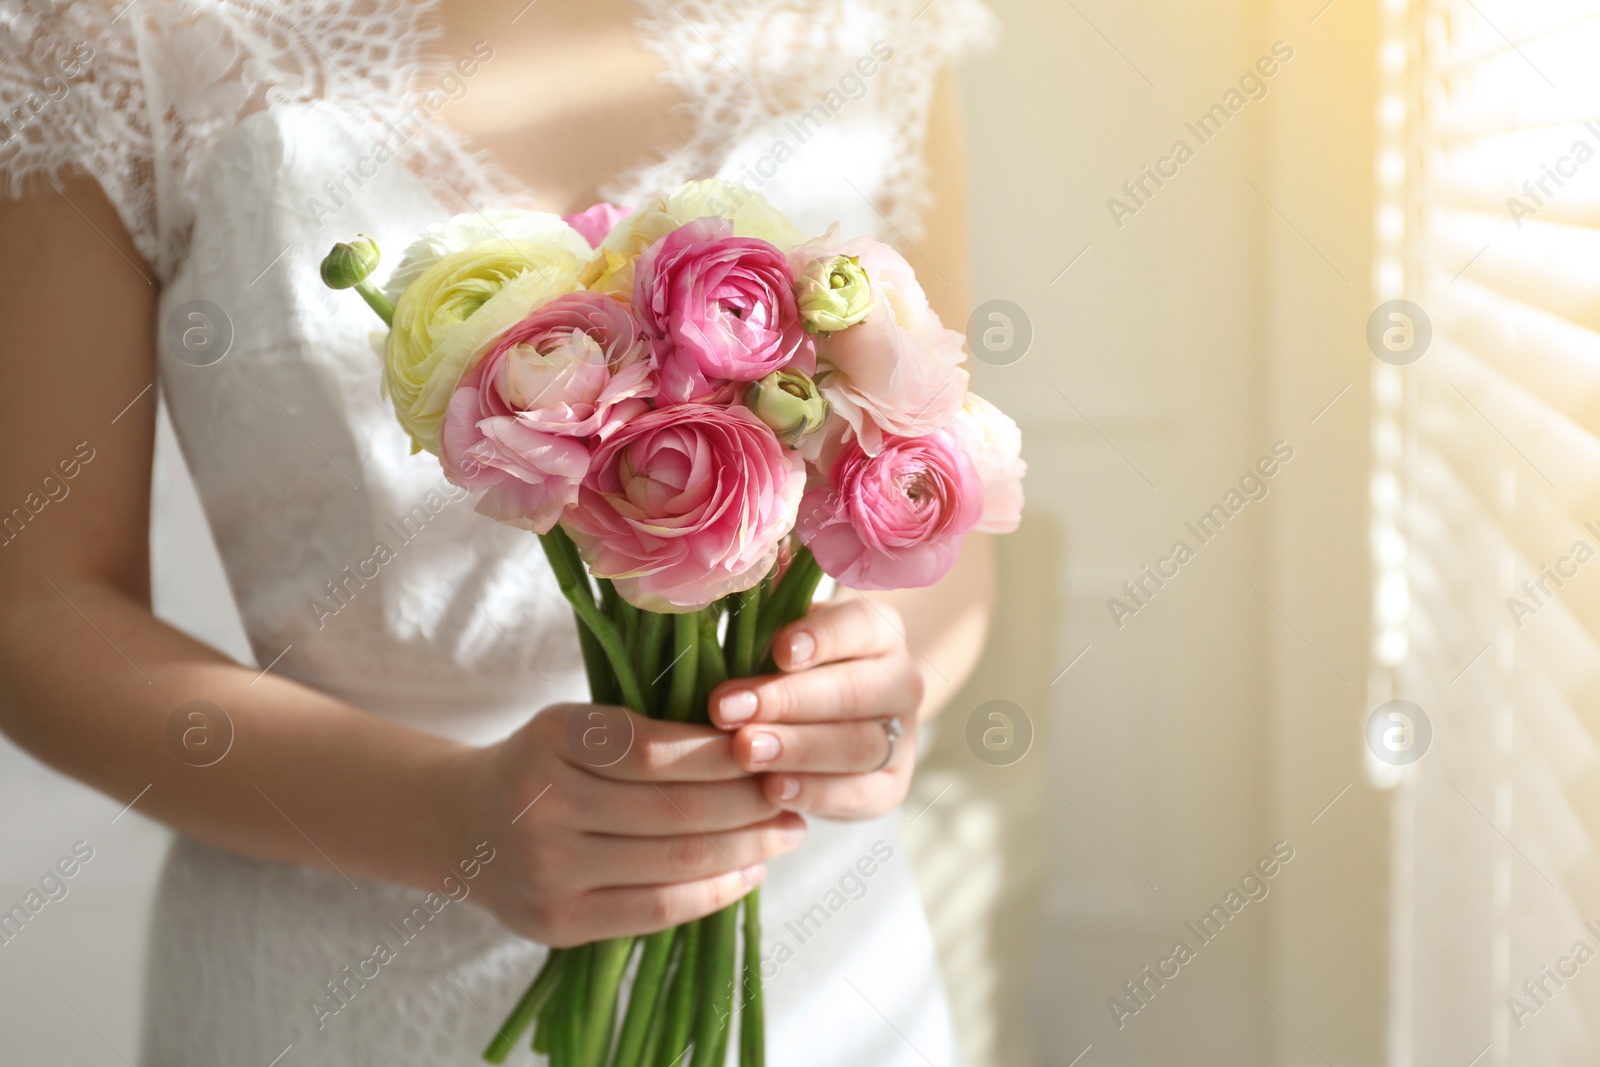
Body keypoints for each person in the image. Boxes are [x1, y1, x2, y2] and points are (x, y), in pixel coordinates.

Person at [0, 0, 999, 1063]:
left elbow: (942, 486)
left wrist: (873, 690)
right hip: (333, 977)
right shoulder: (112, 34)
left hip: (812, 962)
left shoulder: (876, 18)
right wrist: (445, 819)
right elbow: (38, 607)